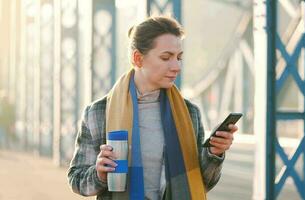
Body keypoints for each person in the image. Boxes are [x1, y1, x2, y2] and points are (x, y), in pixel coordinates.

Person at [67, 15, 238, 200]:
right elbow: (77, 180)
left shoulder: (189, 113)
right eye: (166, 57)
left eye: (179, 57)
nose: (177, 66)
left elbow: (203, 182)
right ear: (138, 58)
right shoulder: (98, 113)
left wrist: (214, 153)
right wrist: (99, 173)